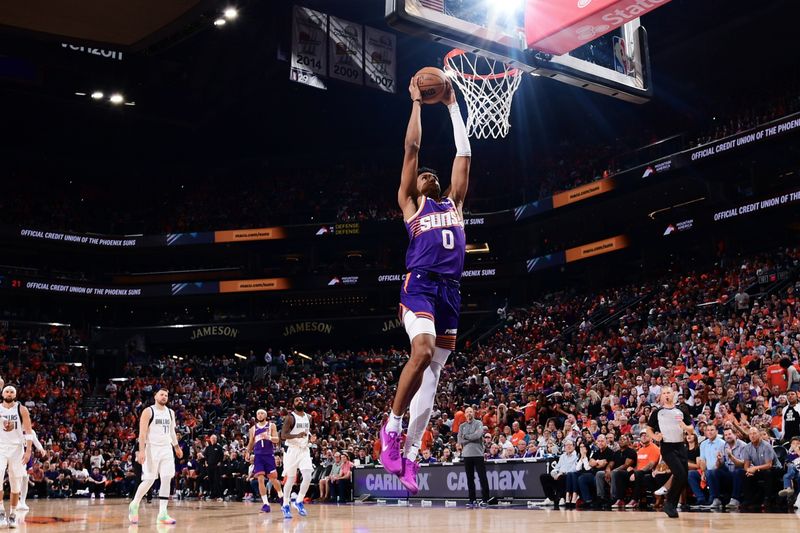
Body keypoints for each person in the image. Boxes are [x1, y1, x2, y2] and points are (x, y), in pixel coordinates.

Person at [380, 74, 472, 496]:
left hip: (451, 291)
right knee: (420, 350)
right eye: (422, 176)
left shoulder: (454, 203)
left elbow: (464, 152)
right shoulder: (411, 206)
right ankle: (391, 430)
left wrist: (453, 105)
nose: (427, 176)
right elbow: (412, 149)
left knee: (432, 383)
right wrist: (417, 102)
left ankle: (411, 455)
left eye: (432, 176)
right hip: (420, 285)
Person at [128, 388, 183, 526]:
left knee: (166, 478)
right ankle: (134, 504)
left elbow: (171, 431)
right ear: (155, 396)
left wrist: (176, 447)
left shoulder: (171, 413)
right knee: (149, 479)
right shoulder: (148, 411)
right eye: (161, 394)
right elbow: (142, 433)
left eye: (166, 395)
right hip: (151, 448)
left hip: (166, 449)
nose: (164, 397)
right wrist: (141, 451)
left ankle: (162, 514)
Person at [647, 388, 694, 518]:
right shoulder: (657, 412)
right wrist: (655, 437)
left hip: (681, 445)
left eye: (668, 393)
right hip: (667, 447)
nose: (666, 395)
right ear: (661, 396)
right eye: (664, 393)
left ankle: (670, 504)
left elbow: (691, 429)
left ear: (673, 394)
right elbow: (649, 429)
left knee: (683, 477)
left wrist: (685, 427)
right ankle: (670, 504)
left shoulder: (682, 409)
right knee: (679, 473)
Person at [0, 385, 33, 529]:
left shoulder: (22, 409)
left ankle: (13, 514)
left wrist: (28, 451)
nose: (9, 393)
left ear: (16, 394)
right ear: (2, 393)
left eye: (11, 391)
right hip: (0, 448)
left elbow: (29, 431)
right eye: (6, 391)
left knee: (15, 484)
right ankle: (1, 512)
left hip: (17, 449)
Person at [280, 396, 314, 519]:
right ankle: (285, 505)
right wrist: (297, 435)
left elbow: (308, 432)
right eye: (297, 400)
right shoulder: (290, 417)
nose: (300, 401)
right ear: (293, 404)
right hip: (292, 450)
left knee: (308, 476)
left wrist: (311, 438)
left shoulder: (309, 417)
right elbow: (283, 435)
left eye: (301, 400)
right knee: (290, 479)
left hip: (304, 450)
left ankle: (299, 501)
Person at [245, 409, 283, 513]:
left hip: (269, 456)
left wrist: (269, 437)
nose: (259, 415)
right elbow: (251, 443)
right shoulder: (253, 429)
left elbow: (277, 440)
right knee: (260, 479)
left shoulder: (271, 426)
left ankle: (281, 497)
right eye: (258, 413)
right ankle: (266, 504)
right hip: (258, 456)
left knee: (273, 479)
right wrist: (247, 452)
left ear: (265, 415)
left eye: (261, 413)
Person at [457, 407, 491, 507]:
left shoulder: (478, 423)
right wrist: (470, 437)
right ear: (465, 414)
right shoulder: (462, 426)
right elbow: (460, 440)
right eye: (467, 412)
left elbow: (478, 435)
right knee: (469, 478)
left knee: (482, 477)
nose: (469, 413)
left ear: (474, 413)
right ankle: (472, 500)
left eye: (471, 411)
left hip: (478, 454)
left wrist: (466, 436)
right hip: (466, 455)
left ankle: (485, 499)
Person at [742, 426, 781, 508]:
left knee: (767, 473)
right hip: (760, 469)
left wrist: (754, 468)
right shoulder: (747, 447)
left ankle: (767, 499)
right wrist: (749, 470)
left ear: (759, 435)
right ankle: (748, 500)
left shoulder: (766, 446)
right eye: (750, 434)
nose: (752, 436)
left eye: (754, 433)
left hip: (775, 469)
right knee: (745, 474)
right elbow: (746, 465)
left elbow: (769, 465)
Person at [689, 424, 725, 507]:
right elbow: (702, 460)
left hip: (719, 470)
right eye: (708, 430)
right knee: (691, 474)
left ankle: (713, 498)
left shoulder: (722, 443)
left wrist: (707, 472)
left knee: (710, 473)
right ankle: (700, 498)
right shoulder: (703, 444)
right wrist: (703, 472)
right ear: (705, 432)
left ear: (716, 431)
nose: (710, 432)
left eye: (712, 430)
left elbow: (722, 462)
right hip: (707, 470)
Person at [539, 439, 578, 509]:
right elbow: (557, 467)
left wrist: (561, 473)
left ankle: (562, 498)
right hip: (559, 475)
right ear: (564, 447)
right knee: (543, 477)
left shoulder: (576, 456)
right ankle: (551, 498)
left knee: (562, 477)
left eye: (570, 445)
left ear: (574, 447)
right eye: (566, 445)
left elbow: (574, 469)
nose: (568, 447)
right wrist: (554, 473)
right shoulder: (562, 456)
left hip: (568, 476)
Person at [17, 428, 45, 511]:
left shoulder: (31, 431)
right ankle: (17, 501)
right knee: (18, 479)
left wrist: (41, 449)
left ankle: (23, 501)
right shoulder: (15, 429)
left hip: (27, 456)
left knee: (26, 478)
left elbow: (36, 441)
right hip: (17, 456)